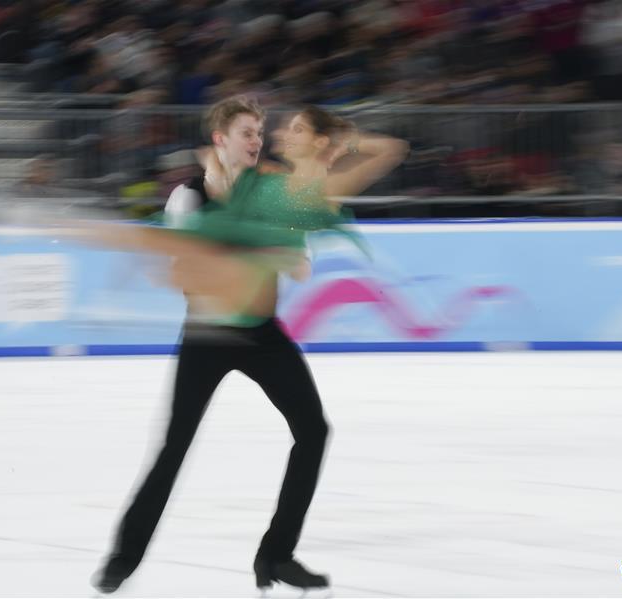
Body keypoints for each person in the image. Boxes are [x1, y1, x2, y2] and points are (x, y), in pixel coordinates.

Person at [87, 96, 408, 594]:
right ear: (221, 139)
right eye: (246, 133)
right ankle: (122, 559)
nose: (257, 141)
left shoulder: (272, 190)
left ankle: (276, 555)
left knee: (313, 430)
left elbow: (298, 251)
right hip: (207, 334)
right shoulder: (189, 196)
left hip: (260, 332)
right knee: (174, 448)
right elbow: (183, 271)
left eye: (260, 132)